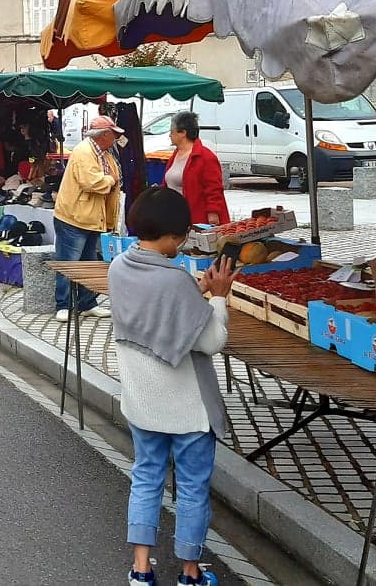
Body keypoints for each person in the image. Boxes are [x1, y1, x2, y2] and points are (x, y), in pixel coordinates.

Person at [108, 186, 233, 586]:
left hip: (142, 402)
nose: (182, 241)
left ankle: (141, 570)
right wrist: (218, 298)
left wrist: (195, 293)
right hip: (187, 409)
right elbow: (210, 341)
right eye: (181, 235)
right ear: (171, 235)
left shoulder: (118, 267)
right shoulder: (175, 280)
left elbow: (152, 316)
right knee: (193, 488)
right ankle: (190, 573)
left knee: (146, 478)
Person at [52, 116, 121, 322]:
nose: (117, 138)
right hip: (74, 217)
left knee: (88, 262)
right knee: (68, 263)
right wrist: (111, 179)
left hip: (91, 217)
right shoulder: (84, 152)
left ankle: (87, 303)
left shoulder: (104, 152)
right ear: (104, 135)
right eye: (114, 134)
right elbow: (93, 182)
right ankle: (62, 305)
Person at [165, 111, 230, 226]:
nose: (170, 135)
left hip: (198, 218)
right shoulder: (175, 155)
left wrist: (213, 213)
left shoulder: (205, 157)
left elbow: (214, 189)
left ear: (183, 133)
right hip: (175, 217)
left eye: (172, 131)